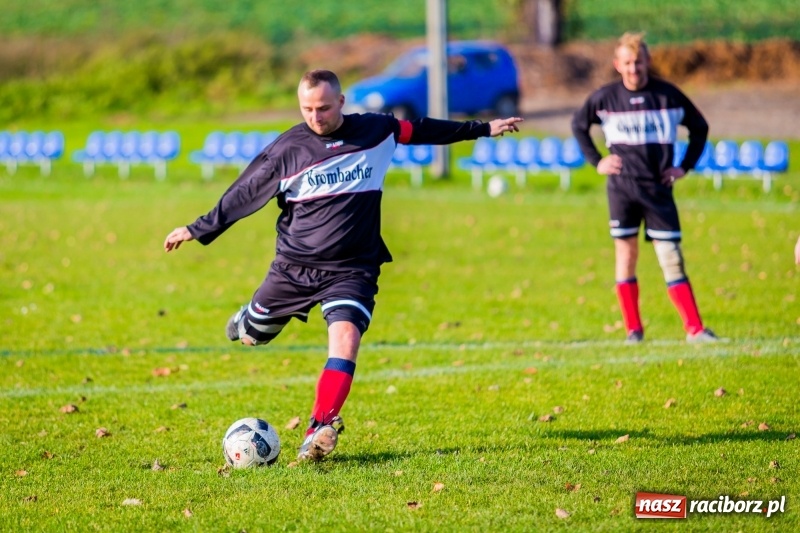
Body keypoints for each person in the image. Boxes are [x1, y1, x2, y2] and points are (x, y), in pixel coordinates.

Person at [164, 69, 523, 462]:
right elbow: (244, 193)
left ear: (341, 103)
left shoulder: (377, 130)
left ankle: (318, 429)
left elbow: (422, 130)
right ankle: (248, 320)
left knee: (346, 339)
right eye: (307, 109)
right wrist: (196, 229)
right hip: (294, 267)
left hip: (354, 267)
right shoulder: (288, 150)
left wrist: (483, 129)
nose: (315, 117)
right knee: (253, 336)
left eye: (322, 108)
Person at [571, 32, 718, 344]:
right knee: (626, 254)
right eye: (627, 63)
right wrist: (597, 161)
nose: (633, 68)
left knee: (671, 255)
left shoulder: (668, 96)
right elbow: (578, 125)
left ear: (648, 62)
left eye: (638, 62)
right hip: (622, 189)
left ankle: (695, 329)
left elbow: (700, 128)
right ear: (617, 64)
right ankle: (633, 331)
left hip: (658, 189)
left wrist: (684, 166)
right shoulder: (605, 98)